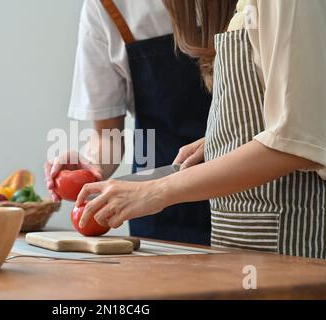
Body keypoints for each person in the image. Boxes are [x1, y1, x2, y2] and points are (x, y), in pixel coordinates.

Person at [76, 0, 326, 259]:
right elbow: (290, 122)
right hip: (195, 220)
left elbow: (298, 137)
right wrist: (223, 137)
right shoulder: (106, 7)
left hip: (275, 221)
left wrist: (157, 190)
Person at [45, 0, 213, 244]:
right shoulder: (106, 6)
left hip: (244, 194)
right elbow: (106, 134)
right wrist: (90, 166)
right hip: (156, 210)